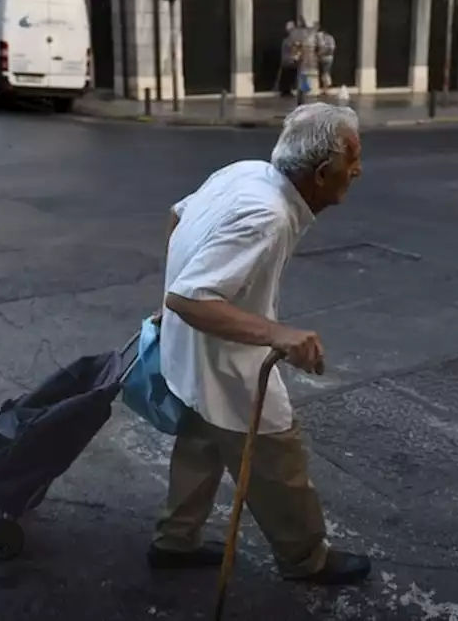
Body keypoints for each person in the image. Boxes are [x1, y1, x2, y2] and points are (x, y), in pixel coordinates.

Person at [150, 102, 370, 586]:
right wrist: (280, 334)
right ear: (321, 172)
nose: (357, 170)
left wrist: (172, 300)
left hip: (190, 352)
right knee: (278, 464)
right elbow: (190, 298)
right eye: (351, 161)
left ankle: (175, 540)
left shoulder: (248, 172)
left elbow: (177, 215)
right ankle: (305, 559)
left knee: (201, 441)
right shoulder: (267, 215)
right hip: (228, 362)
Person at [315, 24, 336, 95]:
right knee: (325, 73)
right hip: (326, 57)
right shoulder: (329, 38)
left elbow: (330, 49)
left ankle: (326, 88)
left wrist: (320, 53)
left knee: (325, 73)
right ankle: (325, 88)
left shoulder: (325, 38)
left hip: (326, 57)